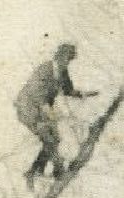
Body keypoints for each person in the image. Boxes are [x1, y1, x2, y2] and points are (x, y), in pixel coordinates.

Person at [16, 43, 97, 183]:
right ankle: (58, 171)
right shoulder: (45, 69)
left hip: (42, 109)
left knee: (54, 139)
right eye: (65, 59)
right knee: (50, 138)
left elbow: (68, 90)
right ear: (58, 57)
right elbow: (38, 96)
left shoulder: (62, 71)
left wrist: (84, 94)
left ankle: (34, 171)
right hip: (28, 108)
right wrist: (51, 114)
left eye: (69, 60)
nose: (67, 63)